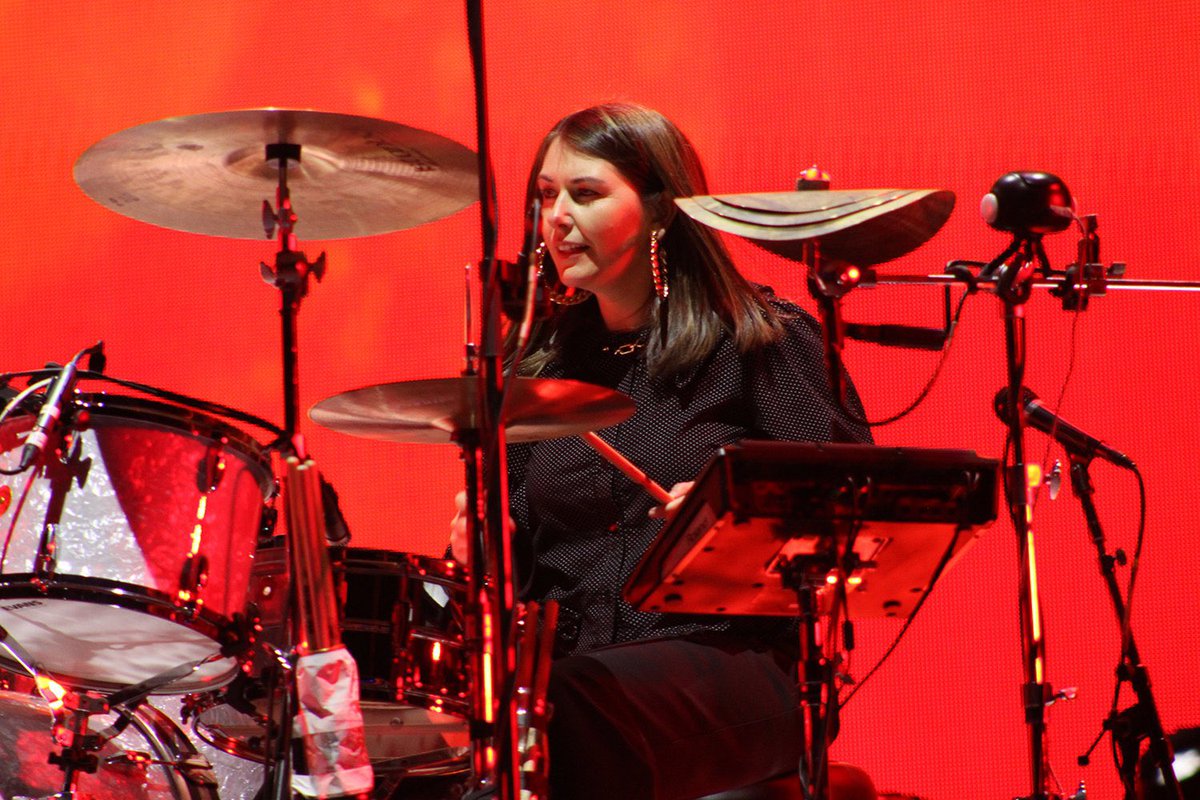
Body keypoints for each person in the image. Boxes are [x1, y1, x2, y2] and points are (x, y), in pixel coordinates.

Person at [452, 102, 870, 800]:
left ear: (659, 211)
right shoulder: (539, 367)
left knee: (559, 711)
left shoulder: (759, 340)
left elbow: (852, 512)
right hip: (574, 665)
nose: (556, 218)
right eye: (546, 196)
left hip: (735, 667)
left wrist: (730, 529)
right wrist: (486, 540)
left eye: (584, 195)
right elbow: (527, 565)